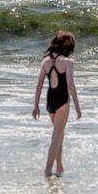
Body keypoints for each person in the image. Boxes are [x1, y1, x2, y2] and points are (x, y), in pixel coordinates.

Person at [32, 31, 82, 177]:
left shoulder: (45, 61)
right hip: (62, 101)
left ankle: (59, 166)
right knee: (57, 135)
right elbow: (70, 85)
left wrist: (36, 106)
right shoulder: (68, 62)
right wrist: (78, 108)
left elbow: (39, 85)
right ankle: (48, 169)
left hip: (50, 100)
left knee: (59, 134)